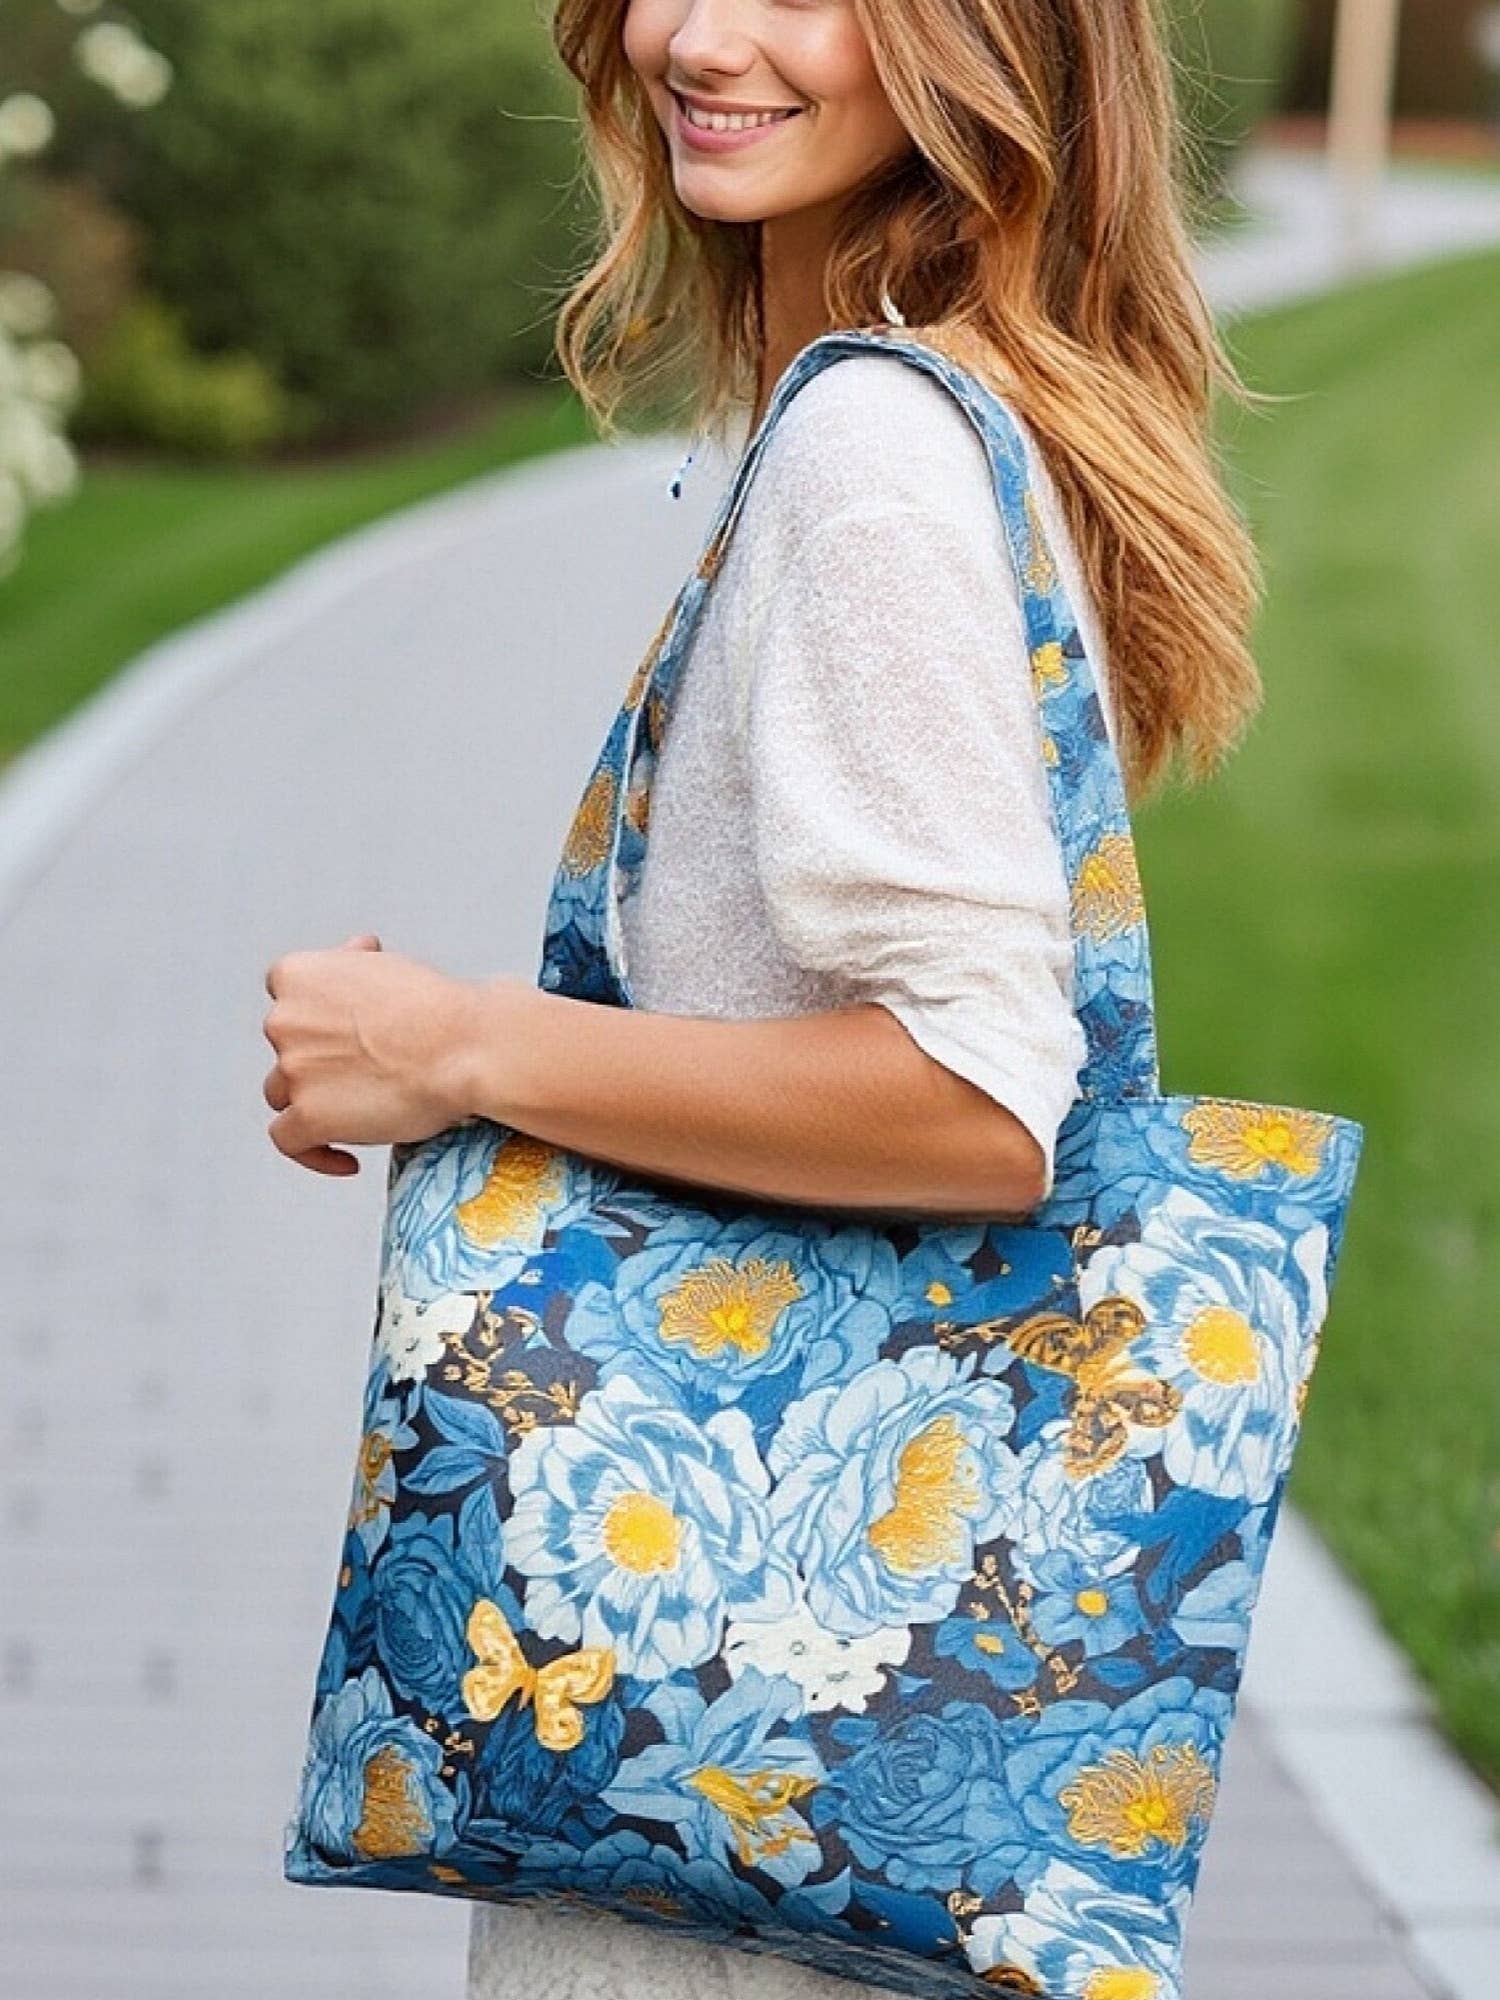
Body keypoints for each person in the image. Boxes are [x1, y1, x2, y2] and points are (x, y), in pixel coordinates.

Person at [262, 0, 1267, 1993]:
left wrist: (461, 1043)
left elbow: (982, 1092)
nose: (700, 39)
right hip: (807, 1795)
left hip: (733, 1839)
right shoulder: (919, 410)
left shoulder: (873, 457)